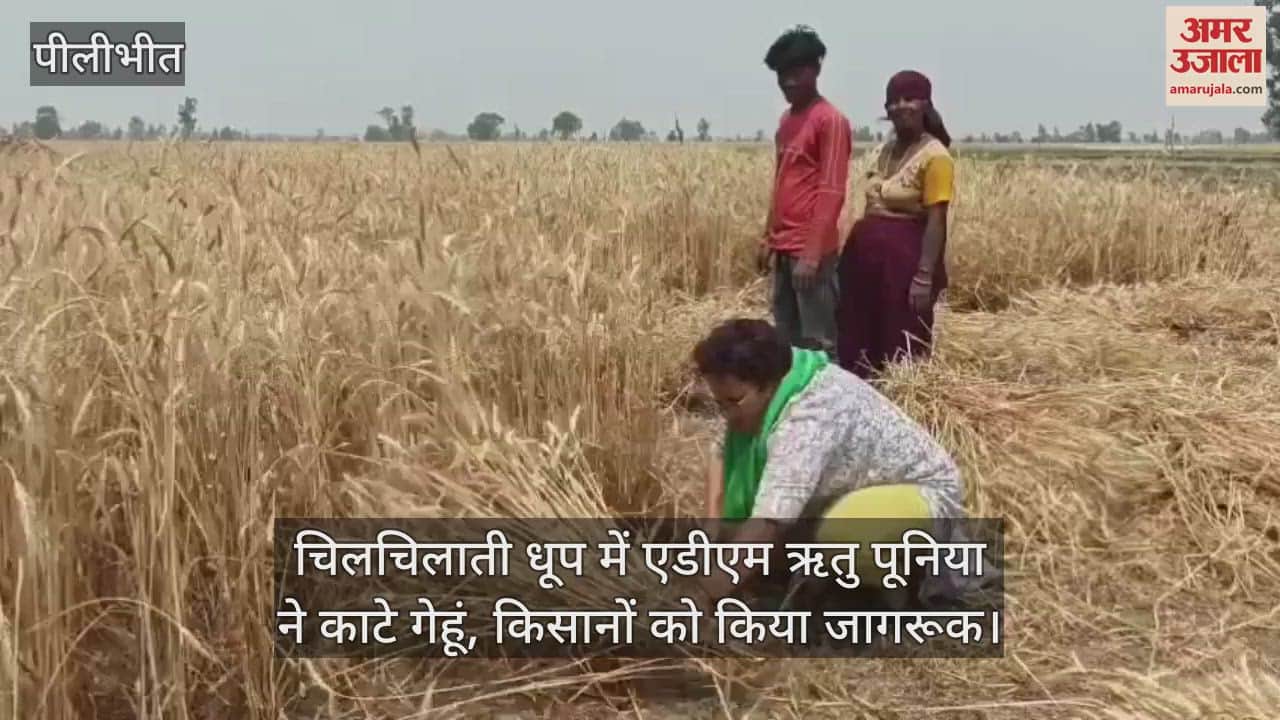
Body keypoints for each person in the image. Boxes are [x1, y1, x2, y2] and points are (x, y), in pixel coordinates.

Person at [692, 318, 968, 611]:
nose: (726, 415)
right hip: (846, 492)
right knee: (748, 540)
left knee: (844, 538)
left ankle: (895, 603)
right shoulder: (772, 382)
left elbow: (768, 522)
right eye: (718, 403)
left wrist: (706, 594)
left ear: (768, 384)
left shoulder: (807, 417)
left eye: (733, 402)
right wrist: (711, 530)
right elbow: (720, 451)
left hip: (922, 494)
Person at [836, 70, 955, 379]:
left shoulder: (936, 157)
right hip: (865, 259)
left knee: (901, 341)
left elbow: (937, 219)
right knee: (858, 336)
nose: (900, 106)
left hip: (904, 264)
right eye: (893, 101)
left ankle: (901, 407)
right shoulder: (884, 151)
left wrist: (924, 276)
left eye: (909, 99)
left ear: (926, 105)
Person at [758, 25, 853, 357]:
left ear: (815, 70)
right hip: (785, 249)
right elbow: (781, 180)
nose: (788, 82)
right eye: (782, 74)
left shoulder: (830, 121)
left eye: (796, 72)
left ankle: (828, 407)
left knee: (818, 343)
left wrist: (811, 256)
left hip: (810, 254)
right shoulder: (787, 120)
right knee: (786, 340)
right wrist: (768, 237)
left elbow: (831, 190)